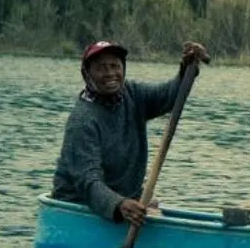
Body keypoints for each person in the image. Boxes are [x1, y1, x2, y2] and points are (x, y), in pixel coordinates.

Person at [53, 38, 210, 223]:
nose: (110, 73)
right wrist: (118, 204)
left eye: (115, 66)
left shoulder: (132, 94)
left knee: (151, 208)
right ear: (87, 74)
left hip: (127, 200)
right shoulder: (82, 121)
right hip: (80, 206)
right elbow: (88, 181)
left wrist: (186, 70)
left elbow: (169, 96)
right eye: (101, 68)